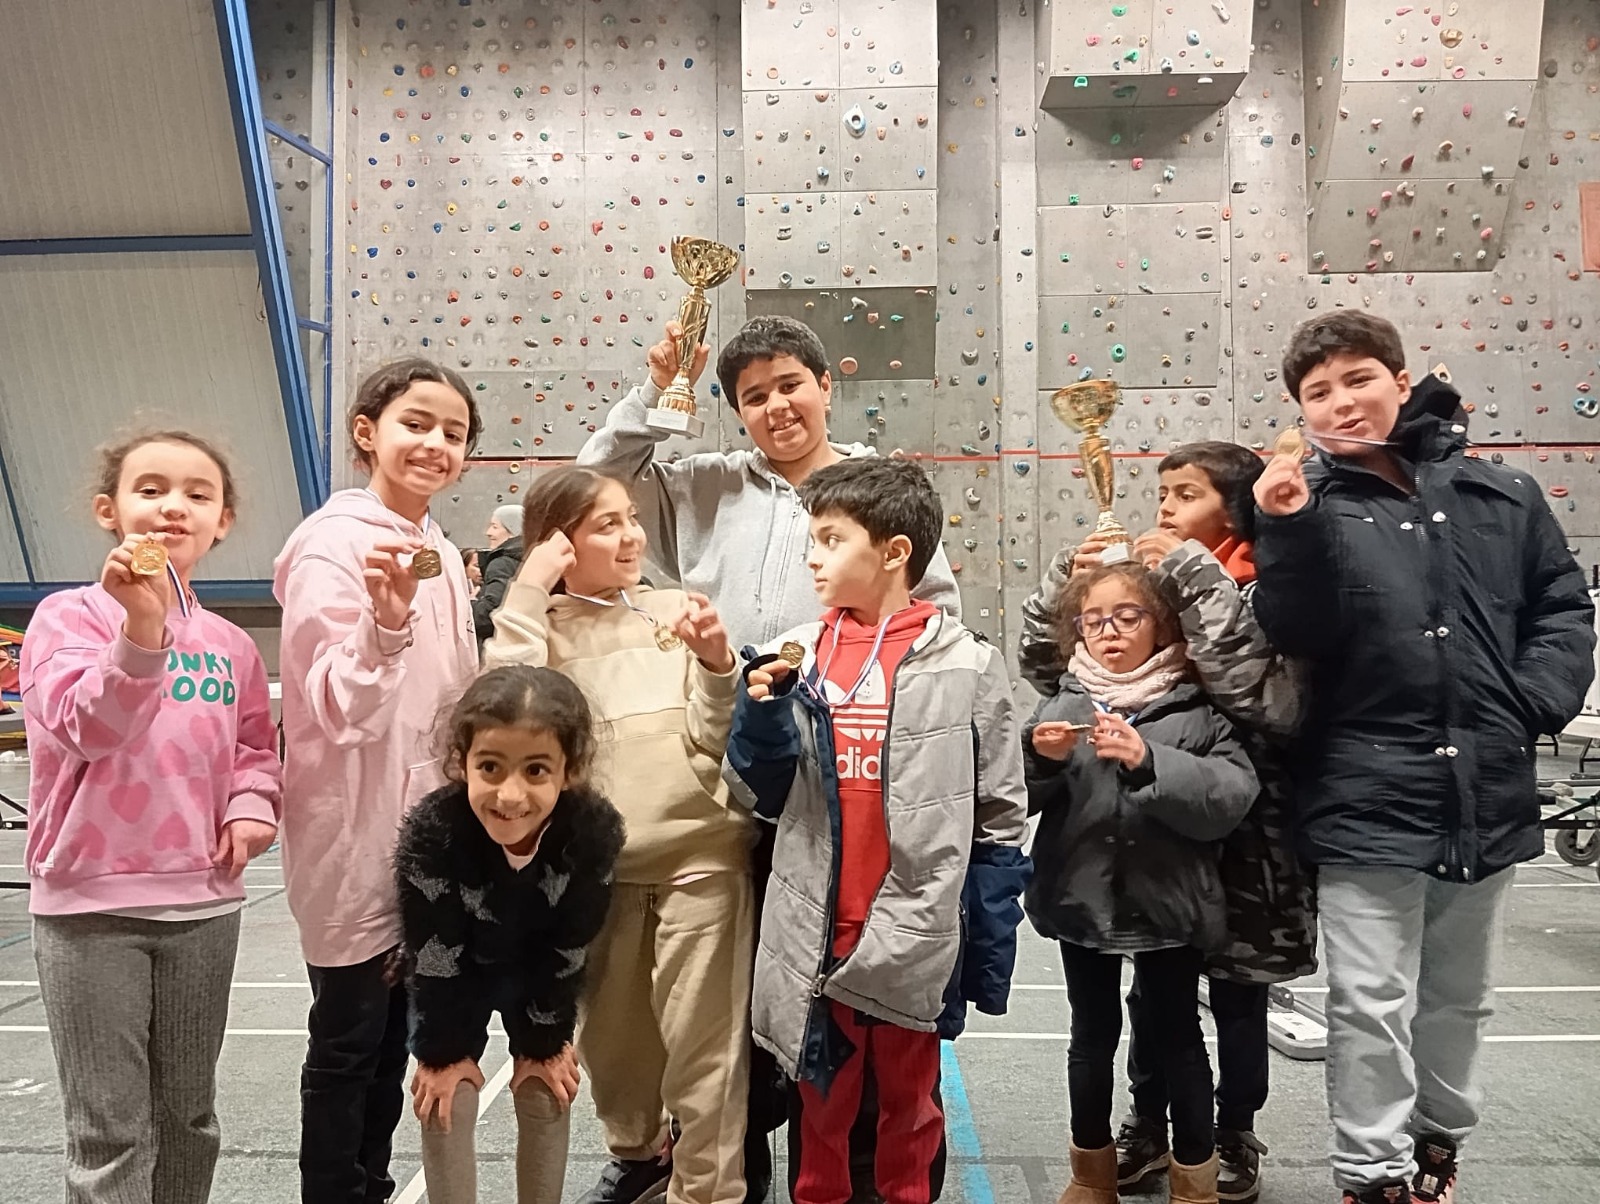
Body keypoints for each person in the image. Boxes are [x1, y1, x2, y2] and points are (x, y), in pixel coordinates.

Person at [580, 314, 963, 1198]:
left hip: (844, 791)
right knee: (725, 1012)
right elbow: (593, 489)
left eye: (790, 385)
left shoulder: (879, 488)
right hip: (726, 778)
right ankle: (727, 1178)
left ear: (826, 386)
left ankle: (867, 1181)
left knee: (854, 1002)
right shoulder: (699, 484)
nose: (776, 406)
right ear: (734, 411)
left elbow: (932, 620)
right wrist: (654, 394)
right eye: (753, 397)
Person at [1251, 312, 1595, 1204]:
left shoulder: (1504, 495)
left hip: (1487, 789)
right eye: (1317, 392)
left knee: (1459, 996)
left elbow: (1561, 607)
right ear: (1301, 411)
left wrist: (1530, 704)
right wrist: (1284, 531)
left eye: (1358, 378)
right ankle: (1371, 1175)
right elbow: (1295, 631)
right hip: (1362, 791)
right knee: (1368, 999)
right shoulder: (1303, 503)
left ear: (1401, 383)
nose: (1341, 402)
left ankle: (1438, 1142)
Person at [722, 456, 1031, 1204]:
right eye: (812, 540)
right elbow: (757, 792)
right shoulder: (795, 655)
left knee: (910, 1110)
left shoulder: (968, 663)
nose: (813, 557)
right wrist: (760, 716)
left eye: (831, 540)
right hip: (816, 931)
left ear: (894, 552)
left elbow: (1001, 813)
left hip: (914, 933)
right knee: (820, 1111)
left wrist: (987, 942)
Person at [1019, 442, 1315, 1204]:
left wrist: (1152, 759)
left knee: (1227, 1004)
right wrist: (1067, 578)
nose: (1165, 509)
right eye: (1163, 493)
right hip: (1104, 883)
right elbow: (1047, 679)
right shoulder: (1111, 636)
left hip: (1228, 854)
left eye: (1187, 494)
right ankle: (1140, 1135)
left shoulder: (1258, 584)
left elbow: (1258, 715)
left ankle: (1224, 1141)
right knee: (1124, 1021)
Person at [19, 430, 281, 1203]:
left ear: (222, 521)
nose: (174, 506)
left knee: (188, 1119)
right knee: (110, 1131)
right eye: (151, 488)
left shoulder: (232, 646)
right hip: (90, 908)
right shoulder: (65, 621)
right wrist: (141, 632)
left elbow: (254, 747)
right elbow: (87, 729)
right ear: (110, 510)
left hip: (203, 904)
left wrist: (251, 808)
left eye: (198, 494)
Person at [485, 466, 753, 1204]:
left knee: (705, 1052)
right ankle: (639, 1157)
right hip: (597, 874)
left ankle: (707, 1193)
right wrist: (529, 587)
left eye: (631, 517)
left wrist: (717, 666)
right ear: (559, 543)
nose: (633, 536)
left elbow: (717, 736)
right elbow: (506, 715)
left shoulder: (674, 610)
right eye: (608, 524)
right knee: (615, 1048)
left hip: (701, 859)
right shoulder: (540, 630)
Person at [275, 359, 482, 1204]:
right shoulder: (331, 544)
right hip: (354, 831)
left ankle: (373, 1183)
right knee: (348, 1043)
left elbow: (456, 698)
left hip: (429, 835)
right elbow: (337, 707)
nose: (435, 444)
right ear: (367, 431)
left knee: (398, 1041)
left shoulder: (439, 548)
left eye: (453, 433)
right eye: (416, 424)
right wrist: (385, 625)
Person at [1024, 561, 1259, 1204]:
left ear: (1161, 626)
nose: (1110, 631)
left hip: (1169, 905)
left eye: (1128, 617)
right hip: (1080, 900)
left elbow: (1231, 795)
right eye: (1093, 620)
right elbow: (1018, 797)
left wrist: (1150, 759)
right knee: (1090, 1038)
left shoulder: (1197, 709)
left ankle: (1195, 1179)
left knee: (1178, 1037)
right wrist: (1038, 759)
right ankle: (1090, 1174)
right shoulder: (1065, 704)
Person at [395, 665, 626, 1204]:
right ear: (461, 763)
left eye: (536, 770)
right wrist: (443, 1052)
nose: (510, 794)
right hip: (459, 966)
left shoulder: (591, 835)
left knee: (548, 1085)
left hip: (538, 963)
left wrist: (545, 1042)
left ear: (570, 771)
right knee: (443, 1094)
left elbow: (568, 948)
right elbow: (435, 957)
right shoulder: (433, 834)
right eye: (490, 768)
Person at [473, 503, 523, 644]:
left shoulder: (502, 563)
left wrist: (471, 605)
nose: (488, 532)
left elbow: (490, 613)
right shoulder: (531, 558)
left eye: (495, 527)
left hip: (500, 643)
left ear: (513, 530)